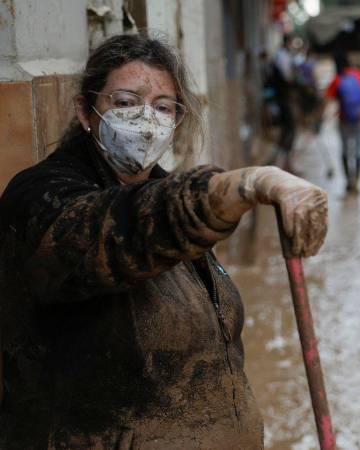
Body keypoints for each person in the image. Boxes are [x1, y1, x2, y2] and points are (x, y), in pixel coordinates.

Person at [0, 33, 327, 449]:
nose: (145, 120)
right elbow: (111, 233)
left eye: (162, 107)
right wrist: (241, 186)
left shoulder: (170, 196)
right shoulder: (41, 196)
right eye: (124, 103)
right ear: (86, 110)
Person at [324, 52, 360, 193]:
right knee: (358, 150)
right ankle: (357, 182)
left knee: (344, 150)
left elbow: (327, 98)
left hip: (344, 119)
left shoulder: (337, 79)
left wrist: (319, 119)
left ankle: (349, 182)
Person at [269, 34, 297, 172]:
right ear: (288, 42)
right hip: (282, 97)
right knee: (289, 128)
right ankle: (282, 164)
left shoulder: (283, 55)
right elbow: (288, 77)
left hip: (283, 96)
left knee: (288, 129)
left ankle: (284, 163)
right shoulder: (282, 56)